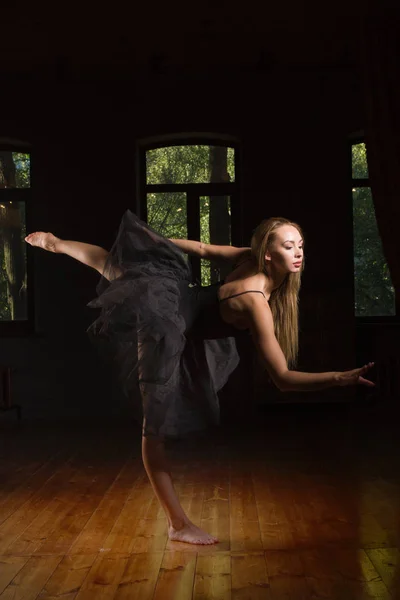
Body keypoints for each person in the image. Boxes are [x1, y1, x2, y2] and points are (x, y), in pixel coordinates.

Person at [25, 210, 374, 545]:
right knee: (154, 426)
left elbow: (205, 249)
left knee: (116, 268)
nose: (298, 253)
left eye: (299, 245)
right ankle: (178, 525)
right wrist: (337, 379)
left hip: (182, 305)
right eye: (288, 246)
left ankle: (56, 243)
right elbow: (282, 377)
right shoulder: (255, 300)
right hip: (169, 324)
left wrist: (157, 243)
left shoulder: (250, 260)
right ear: (267, 255)